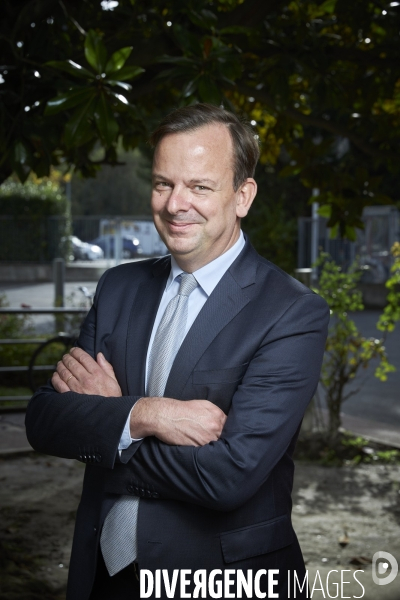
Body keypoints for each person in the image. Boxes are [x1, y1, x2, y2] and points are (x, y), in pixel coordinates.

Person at [25, 103, 329, 600]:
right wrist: (146, 414)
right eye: (164, 183)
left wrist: (106, 424)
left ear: (242, 196)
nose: (175, 204)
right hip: (102, 575)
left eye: (200, 186)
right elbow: (43, 420)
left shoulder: (292, 313)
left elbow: (229, 476)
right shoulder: (118, 287)